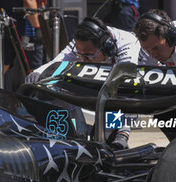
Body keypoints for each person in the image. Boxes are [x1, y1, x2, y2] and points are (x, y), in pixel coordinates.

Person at [26, 16, 141, 150]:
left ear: (107, 48)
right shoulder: (82, 45)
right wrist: (38, 73)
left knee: (111, 136)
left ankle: (121, 136)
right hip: (106, 81)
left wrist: (116, 132)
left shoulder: (128, 43)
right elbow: (60, 62)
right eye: (80, 55)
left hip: (129, 86)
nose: (83, 60)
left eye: (89, 56)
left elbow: (123, 85)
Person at [0, 0, 43, 88]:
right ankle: (33, 101)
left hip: (3, 20)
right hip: (25, 27)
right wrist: (37, 27)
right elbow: (29, 1)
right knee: (34, 71)